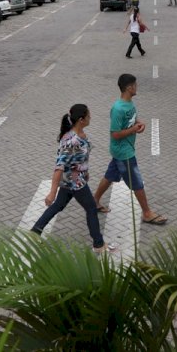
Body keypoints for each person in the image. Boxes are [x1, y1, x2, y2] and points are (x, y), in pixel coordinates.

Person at [31, 104, 113, 254]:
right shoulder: (71, 141)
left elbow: (79, 159)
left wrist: (85, 171)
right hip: (75, 182)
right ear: (81, 119)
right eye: (88, 116)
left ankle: (34, 232)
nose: (90, 118)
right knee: (91, 208)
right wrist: (52, 192)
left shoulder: (80, 134)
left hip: (74, 178)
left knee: (58, 206)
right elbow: (59, 167)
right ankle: (98, 244)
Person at [93, 74, 167, 225]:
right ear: (129, 87)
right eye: (135, 85)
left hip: (124, 150)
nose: (136, 87)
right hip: (123, 152)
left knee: (109, 177)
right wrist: (133, 129)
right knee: (137, 183)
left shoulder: (129, 104)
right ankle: (147, 213)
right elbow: (115, 134)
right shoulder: (118, 109)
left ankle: (94, 201)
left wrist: (140, 123)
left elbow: (132, 118)